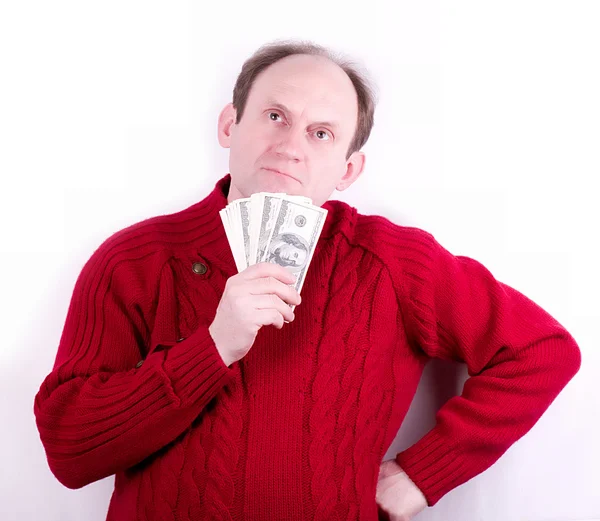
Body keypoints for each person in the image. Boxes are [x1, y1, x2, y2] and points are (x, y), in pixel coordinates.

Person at [33, 39, 582, 521]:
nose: (291, 145)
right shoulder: (134, 260)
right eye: (275, 116)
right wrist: (211, 348)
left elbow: (541, 351)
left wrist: (423, 474)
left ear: (347, 169)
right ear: (230, 124)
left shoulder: (393, 261)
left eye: (321, 133)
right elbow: (68, 451)